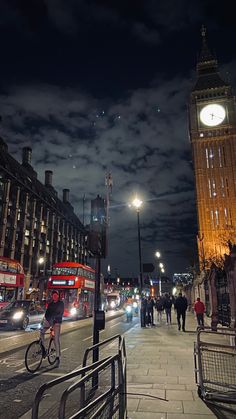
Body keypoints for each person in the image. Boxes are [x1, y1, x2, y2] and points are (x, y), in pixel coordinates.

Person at [40, 290, 64, 367]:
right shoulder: (50, 304)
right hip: (50, 321)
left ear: (58, 296)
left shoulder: (61, 303)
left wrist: (54, 321)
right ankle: (44, 349)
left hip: (56, 323)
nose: (54, 296)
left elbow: (60, 313)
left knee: (55, 339)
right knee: (41, 332)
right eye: (53, 295)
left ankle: (58, 357)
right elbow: (47, 314)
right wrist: (44, 321)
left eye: (56, 295)